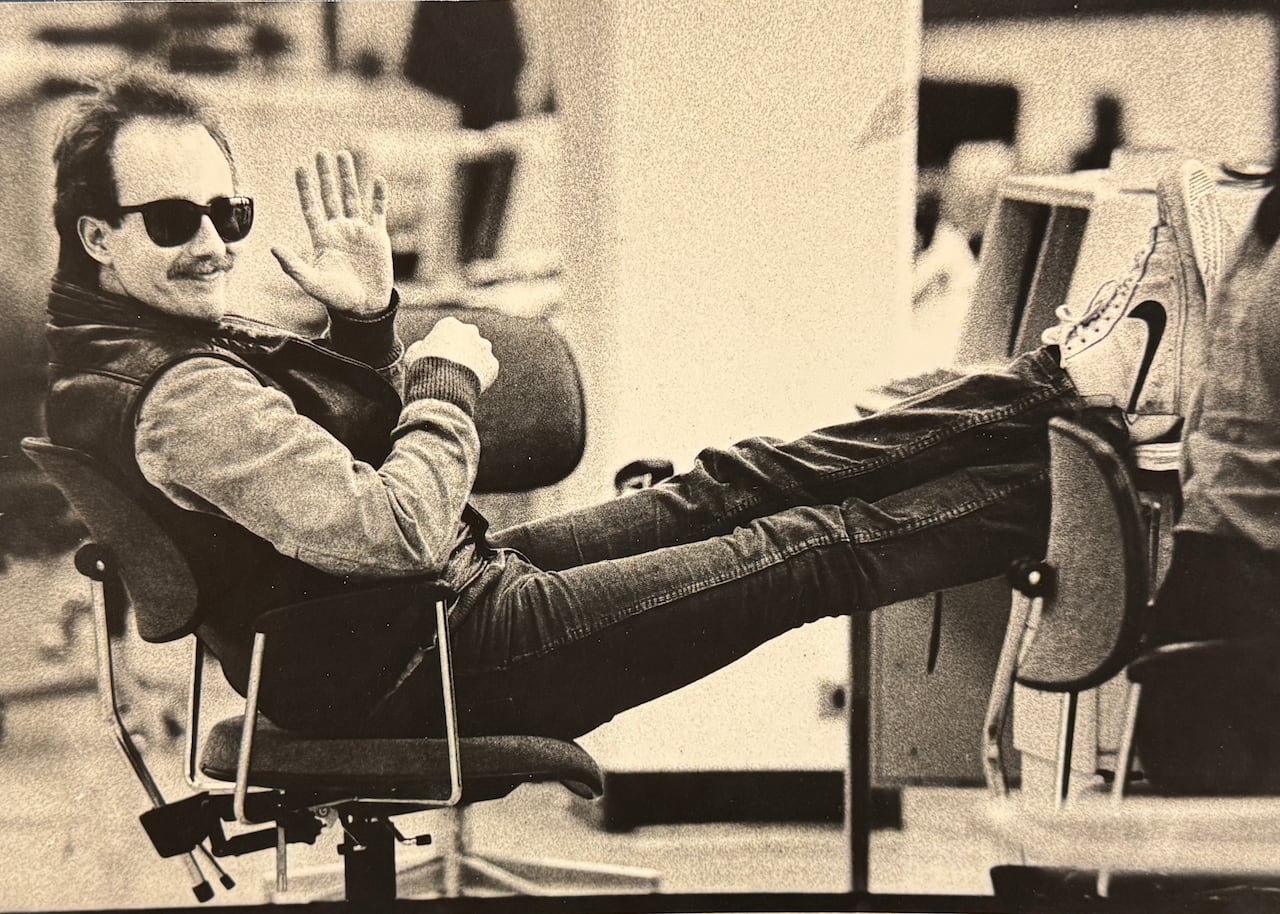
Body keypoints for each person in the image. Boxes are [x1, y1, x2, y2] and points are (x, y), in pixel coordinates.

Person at [41, 73, 1212, 742]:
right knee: (796, 548)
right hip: (426, 661)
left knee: (727, 482)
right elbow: (388, 522)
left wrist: (362, 322)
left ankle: (1035, 402)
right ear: (98, 235)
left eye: (226, 215)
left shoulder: (135, 345)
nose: (209, 244)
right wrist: (445, 382)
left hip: (422, 614)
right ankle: (1066, 488)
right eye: (172, 220)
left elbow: (345, 474)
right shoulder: (175, 388)